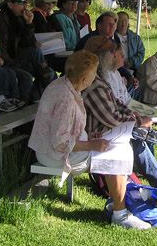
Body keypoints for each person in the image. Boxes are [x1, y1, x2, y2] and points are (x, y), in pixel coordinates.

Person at [28, 50, 150, 229]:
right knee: (116, 155)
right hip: (53, 153)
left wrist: (89, 137)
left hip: (55, 147)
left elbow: (68, 128)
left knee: (120, 148)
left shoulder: (65, 84)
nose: (96, 78)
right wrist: (91, 144)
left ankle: (116, 201)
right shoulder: (66, 98)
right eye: (94, 74)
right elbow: (60, 142)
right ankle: (120, 213)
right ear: (85, 78)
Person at [99, 39, 157, 192]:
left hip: (124, 111)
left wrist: (139, 113)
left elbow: (125, 99)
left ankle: (154, 169)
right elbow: (115, 107)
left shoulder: (115, 73)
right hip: (111, 124)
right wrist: (136, 116)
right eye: (120, 55)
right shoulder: (103, 77)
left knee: (148, 123)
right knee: (140, 134)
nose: (124, 58)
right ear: (111, 56)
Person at [0, 0, 56, 97]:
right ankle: (50, 90)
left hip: (18, 55)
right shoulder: (0, 21)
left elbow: (28, 42)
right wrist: (12, 64)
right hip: (8, 60)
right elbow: (2, 48)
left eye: (26, 2)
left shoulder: (19, 17)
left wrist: (29, 24)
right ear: (10, 4)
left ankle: (47, 88)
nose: (25, 5)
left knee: (37, 56)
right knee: (38, 68)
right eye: (21, 2)